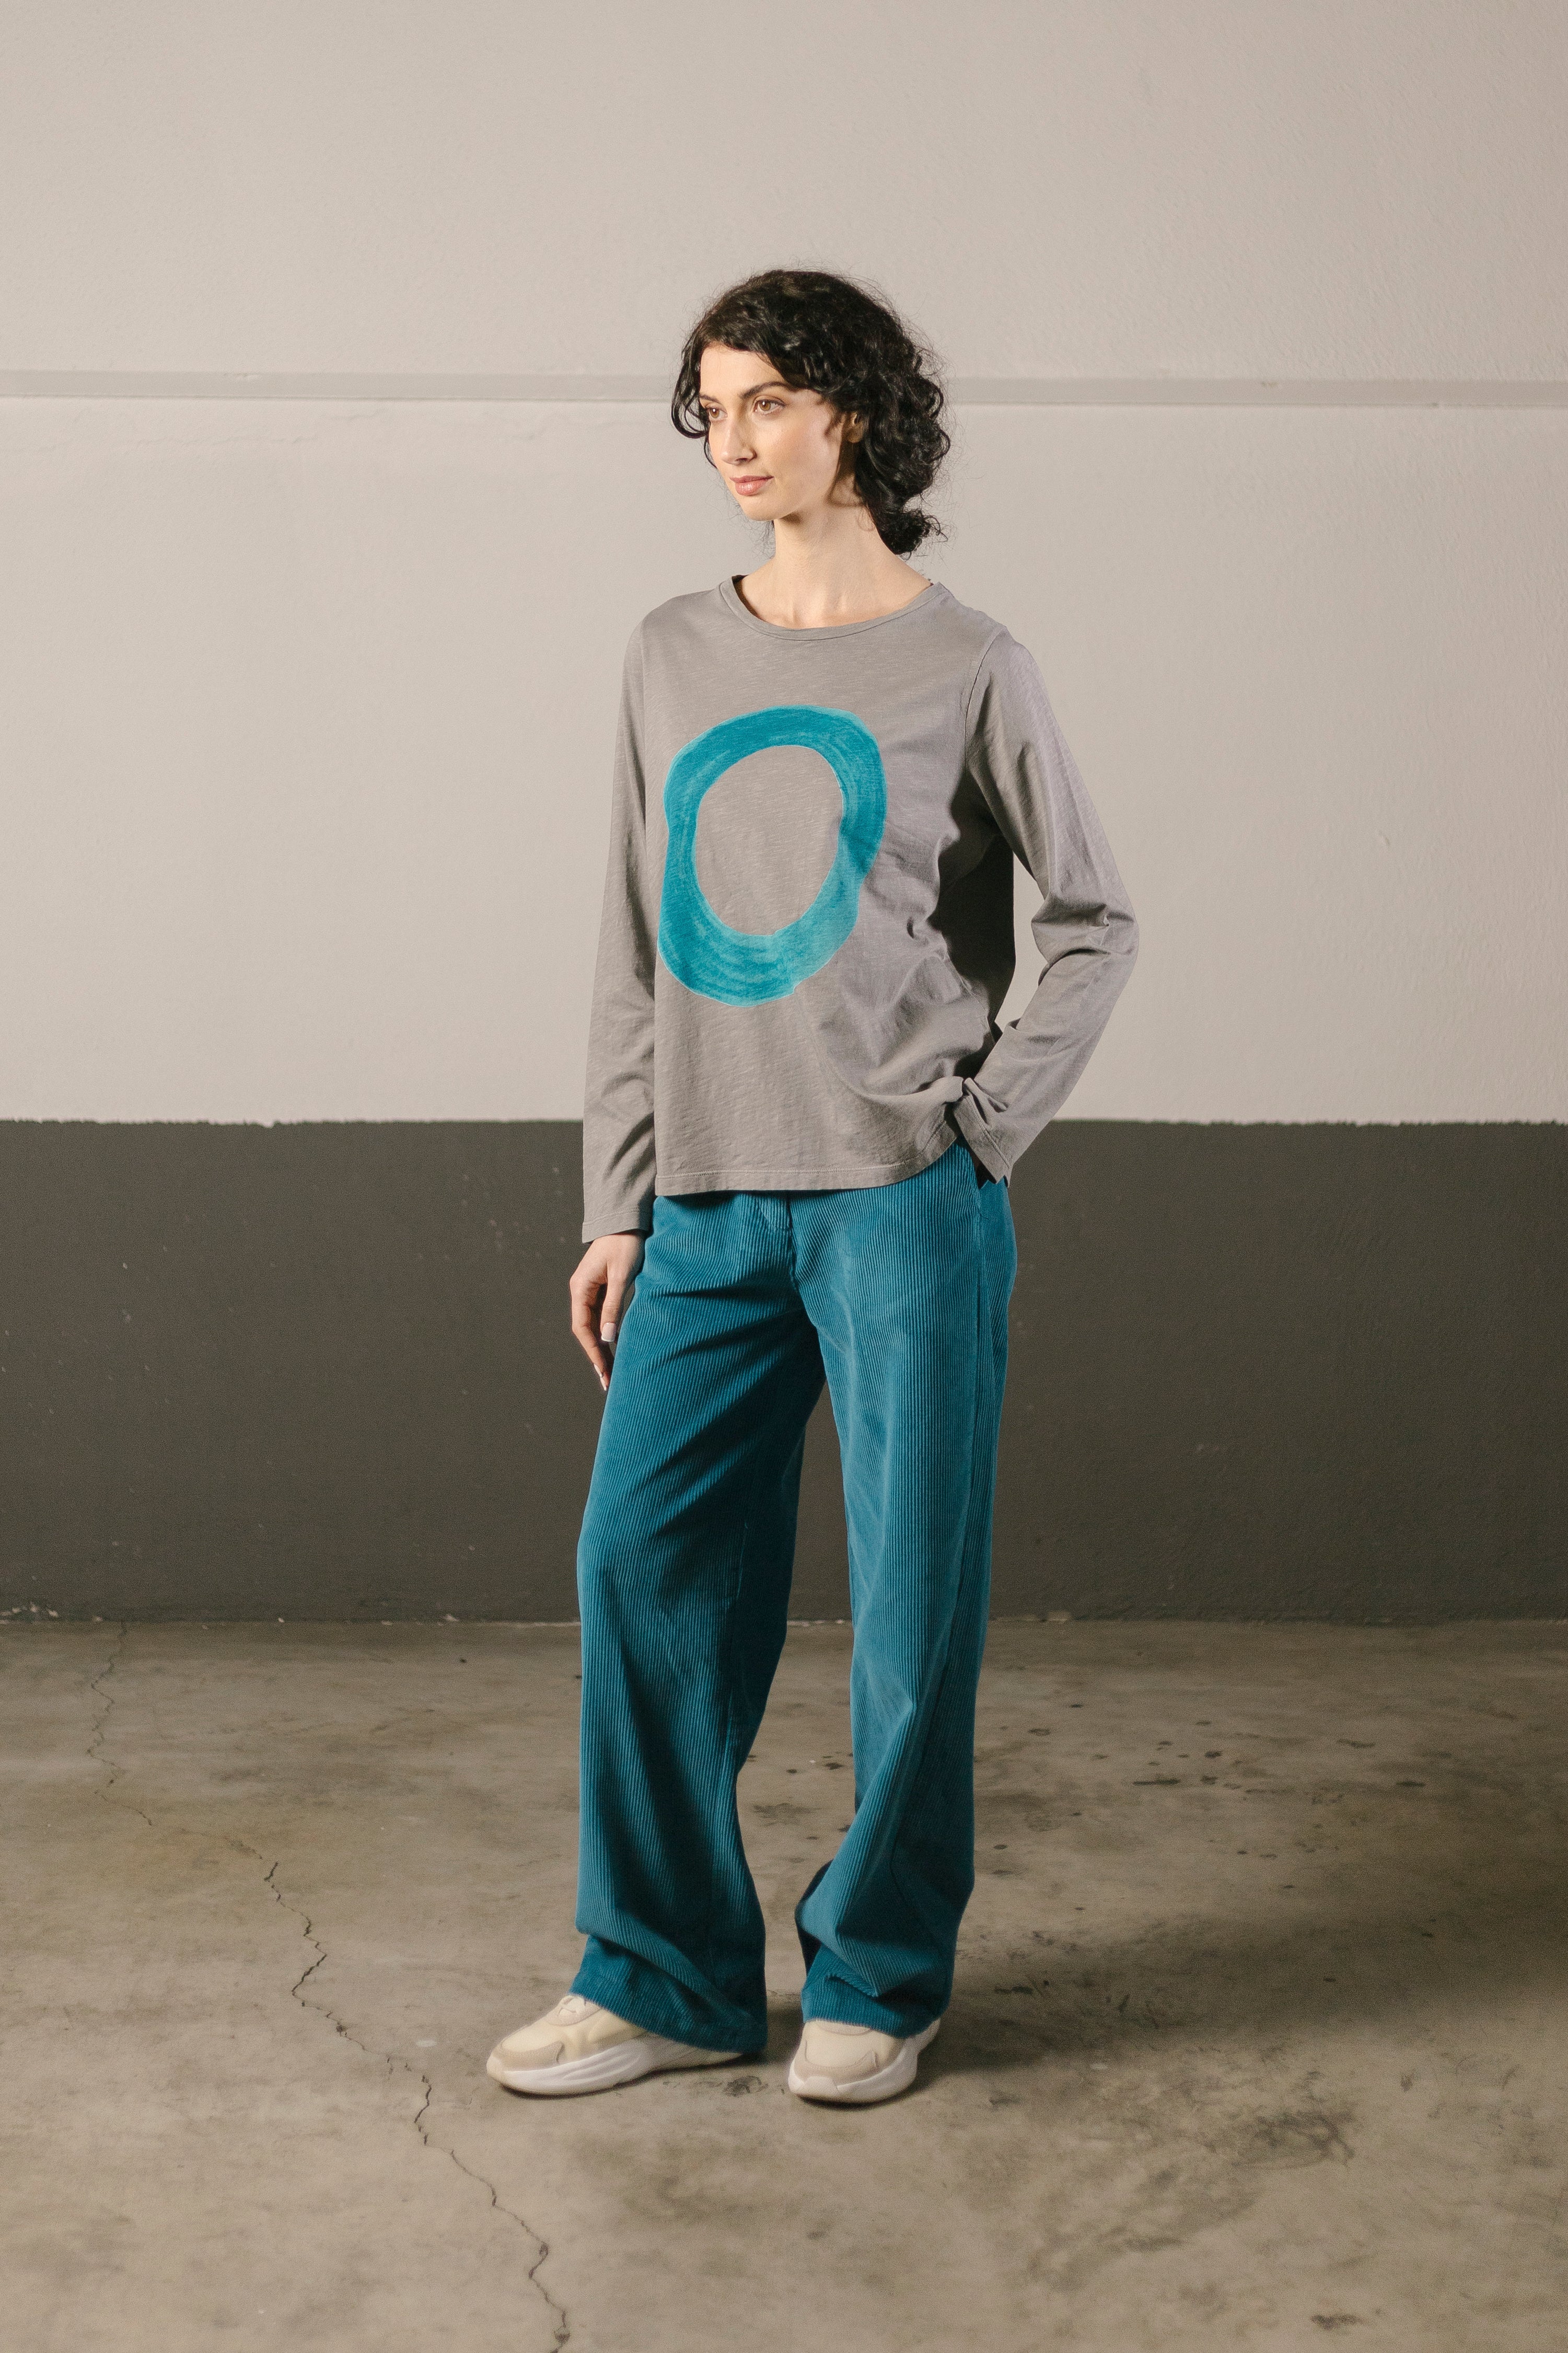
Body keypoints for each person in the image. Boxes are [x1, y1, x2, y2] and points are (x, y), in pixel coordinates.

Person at [486, 267, 1137, 2107]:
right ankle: (665, 1975)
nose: (734, 442)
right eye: (710, 410)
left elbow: (1091, 919)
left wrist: (981, 1127)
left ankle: (879, 1972)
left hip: (899, 1200)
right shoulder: (670, 653)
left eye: (767, 399)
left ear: (853, 408)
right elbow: (633, 943)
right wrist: (617, 1199)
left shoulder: (967, 663)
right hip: (704, 1204)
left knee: (912, 1611)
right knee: (641, 1569)